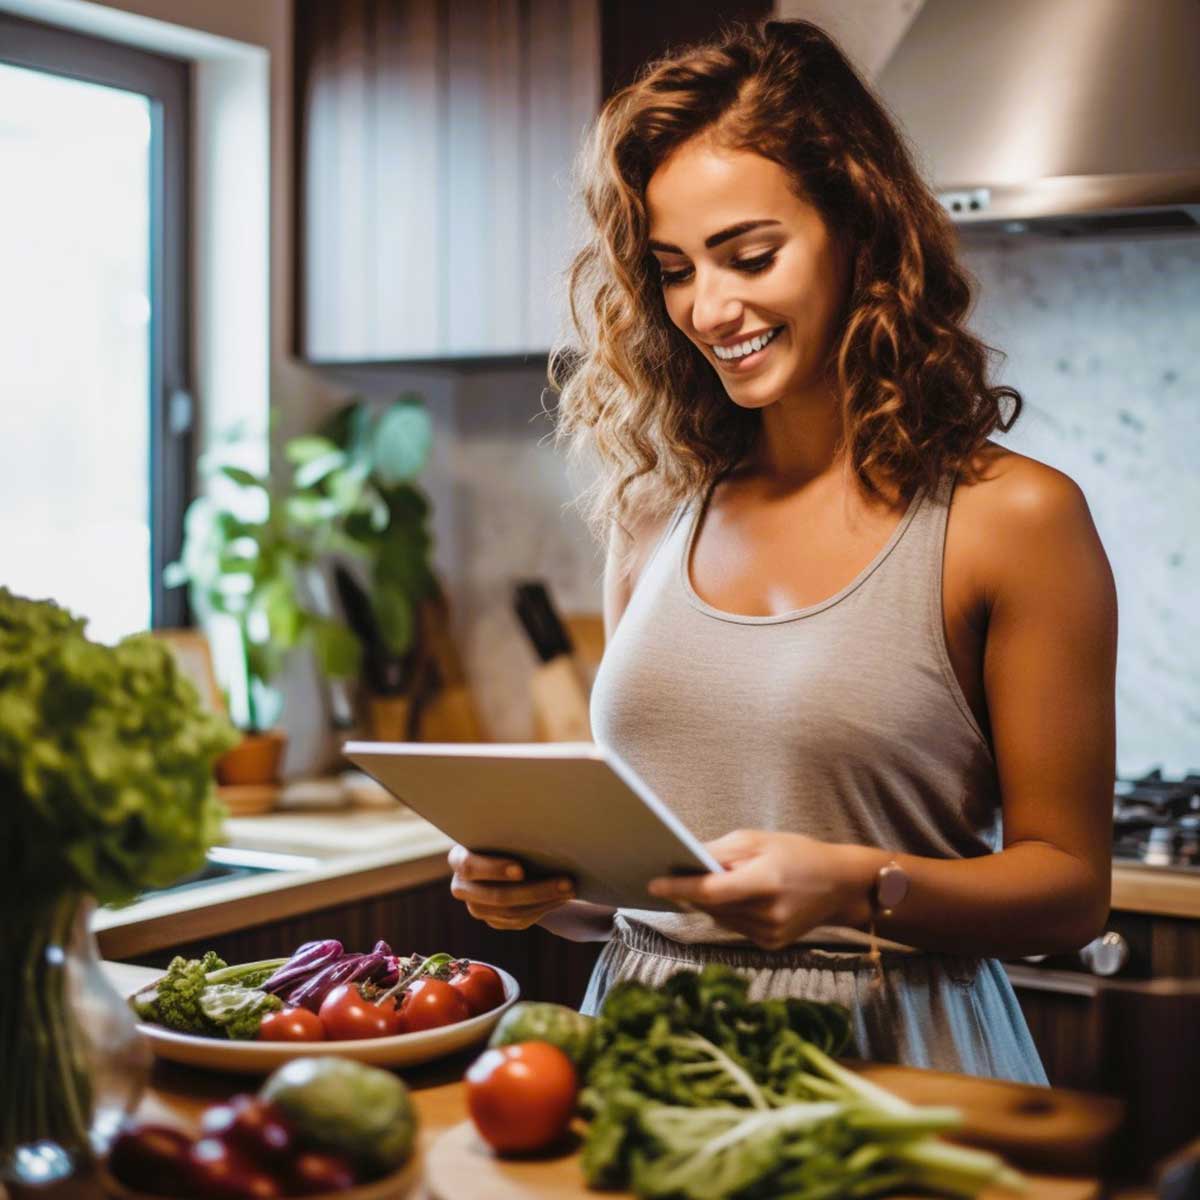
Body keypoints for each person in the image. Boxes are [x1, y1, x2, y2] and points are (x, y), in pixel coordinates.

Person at [447, 19, 1116, 1085]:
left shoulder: (1012, 519)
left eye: (751, 255)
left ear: (859, 226)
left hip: (895, 1064)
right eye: (675, 270)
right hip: (646, 1059)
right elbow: (659, 877)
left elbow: (1073, 888)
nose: (710, 309)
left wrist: (858, 885)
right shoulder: (655, 513)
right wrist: (548, 890)